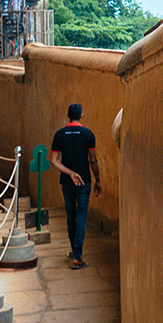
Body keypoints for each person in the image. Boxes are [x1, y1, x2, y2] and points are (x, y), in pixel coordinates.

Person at [49, 103, 101, 269]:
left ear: (68, 115)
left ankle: (74, 250)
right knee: (82, 216)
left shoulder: (59, 134)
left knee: (71, 216)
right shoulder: (88, 134)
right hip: (84, 181)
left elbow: (54, 160)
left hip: (67, 182)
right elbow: (93, 160)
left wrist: (70, 173)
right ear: (81, 115)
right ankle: (77, 256)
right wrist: (98, 179)